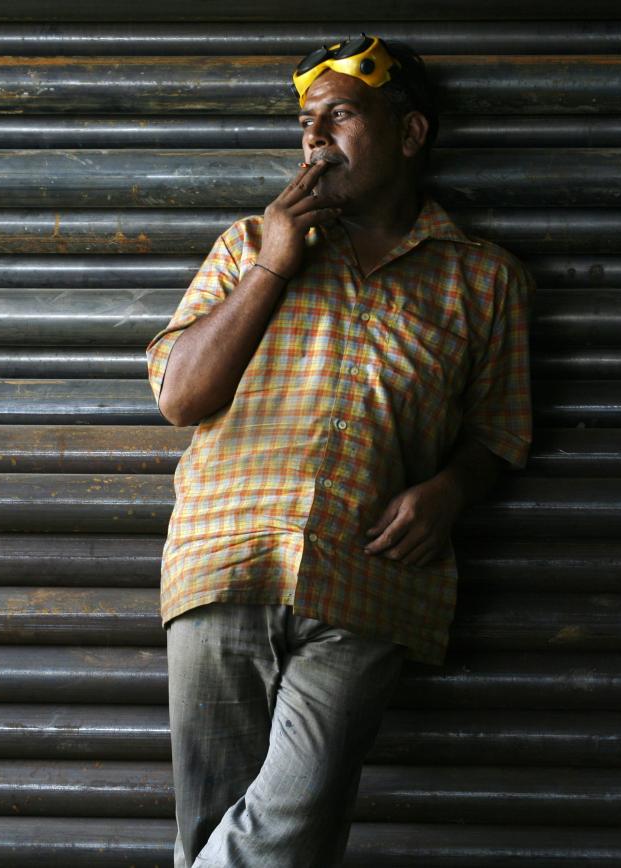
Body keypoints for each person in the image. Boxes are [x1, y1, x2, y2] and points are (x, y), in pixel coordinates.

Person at [145, 35, 532, 868]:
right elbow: (180, 397)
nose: (315, 137)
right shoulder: (247, 244)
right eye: (306, 121)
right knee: (218, 831)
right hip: (225, 559)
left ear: (410, 132)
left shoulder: (482, 277)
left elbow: (500, 430)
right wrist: (272, 269)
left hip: (370, 579)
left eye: (341, 116)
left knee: (291, 819)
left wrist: (451, 492)